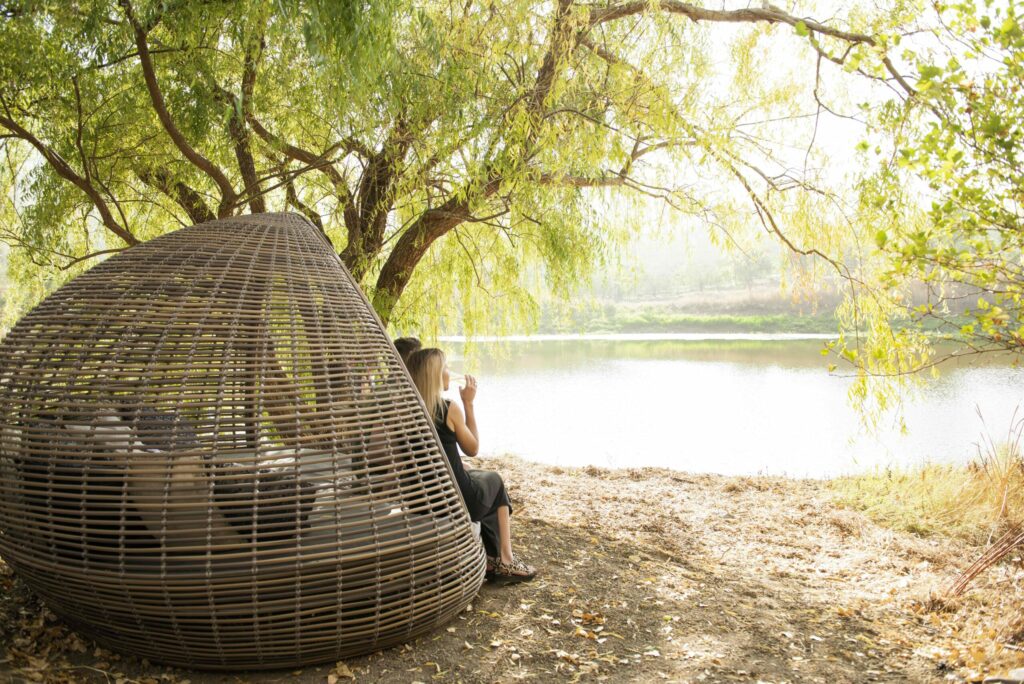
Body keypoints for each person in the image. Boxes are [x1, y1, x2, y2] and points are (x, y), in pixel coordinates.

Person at [406, 348, 536, 584]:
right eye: (445, 367)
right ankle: (505, 561)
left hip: (419, 500)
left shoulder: (404, 411)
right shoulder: (447, 408)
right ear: (434, 374)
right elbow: (473, 449)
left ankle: (491, 559)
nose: (449, 371)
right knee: (494, 480)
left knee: (478, 477)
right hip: (453, 501)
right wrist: (468, 403)